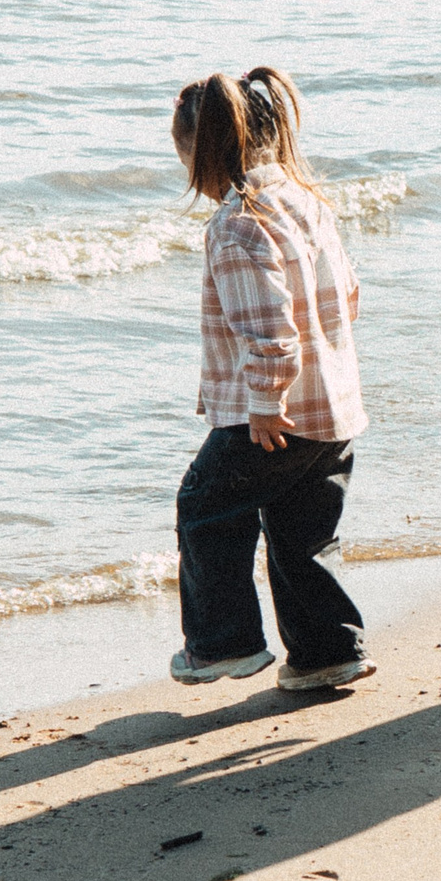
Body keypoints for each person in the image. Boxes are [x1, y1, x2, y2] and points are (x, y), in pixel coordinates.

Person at [167, 68, 376, 693]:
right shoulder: (305, 199)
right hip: (333, 410)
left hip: (270, 421)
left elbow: (271, 334)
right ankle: (326, 653)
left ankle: (223, 644)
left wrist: (263, 403)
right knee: (302, 538)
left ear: (203, 155)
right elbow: (349, 295)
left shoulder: (236, 224)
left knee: (204, 508)